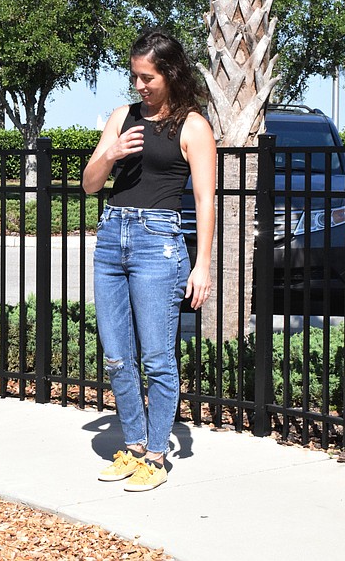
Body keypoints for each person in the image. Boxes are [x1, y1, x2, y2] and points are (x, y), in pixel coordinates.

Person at [82, 30, 215, 491]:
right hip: (112, 234)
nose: (139, 85)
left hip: (159, 242)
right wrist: (112, 152)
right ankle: (134, 445)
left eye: (147, 77)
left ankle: (156, 457)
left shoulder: (193, 126)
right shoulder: (123, 117)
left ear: (170, 74)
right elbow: (90, 184)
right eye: (134, 76)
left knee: (158, 357)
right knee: (117, 357)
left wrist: (202, 265)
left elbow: (205, 200)